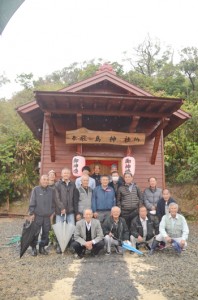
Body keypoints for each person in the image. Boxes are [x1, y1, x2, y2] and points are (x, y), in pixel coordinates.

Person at [29, 174, 55, 256]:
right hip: (37, 215)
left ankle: (42, 247)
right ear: (40, 180)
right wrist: (31, 213)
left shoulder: (51, 190)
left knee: (46, 233)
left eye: (47, 179)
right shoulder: (36, 190)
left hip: (47, 216)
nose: (45, 181)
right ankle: (33, 248)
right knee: (35, 232)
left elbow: (54, 203)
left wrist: (52, 212)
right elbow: (32, 202)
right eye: (44, 179)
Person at [55, 167, 79, 253]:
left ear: (70, 175)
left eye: (67, 173)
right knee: (59, 229)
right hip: (60, 212)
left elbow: (74, 199)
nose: (66, 175)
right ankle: (59, 245)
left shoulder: (73, 184)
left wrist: (76, 211)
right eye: (64, 173)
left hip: (71, 211)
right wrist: (62, 208)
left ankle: (71, 245)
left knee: (71, 228)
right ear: (61, 174)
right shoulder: (57, 184)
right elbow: (56, 198)